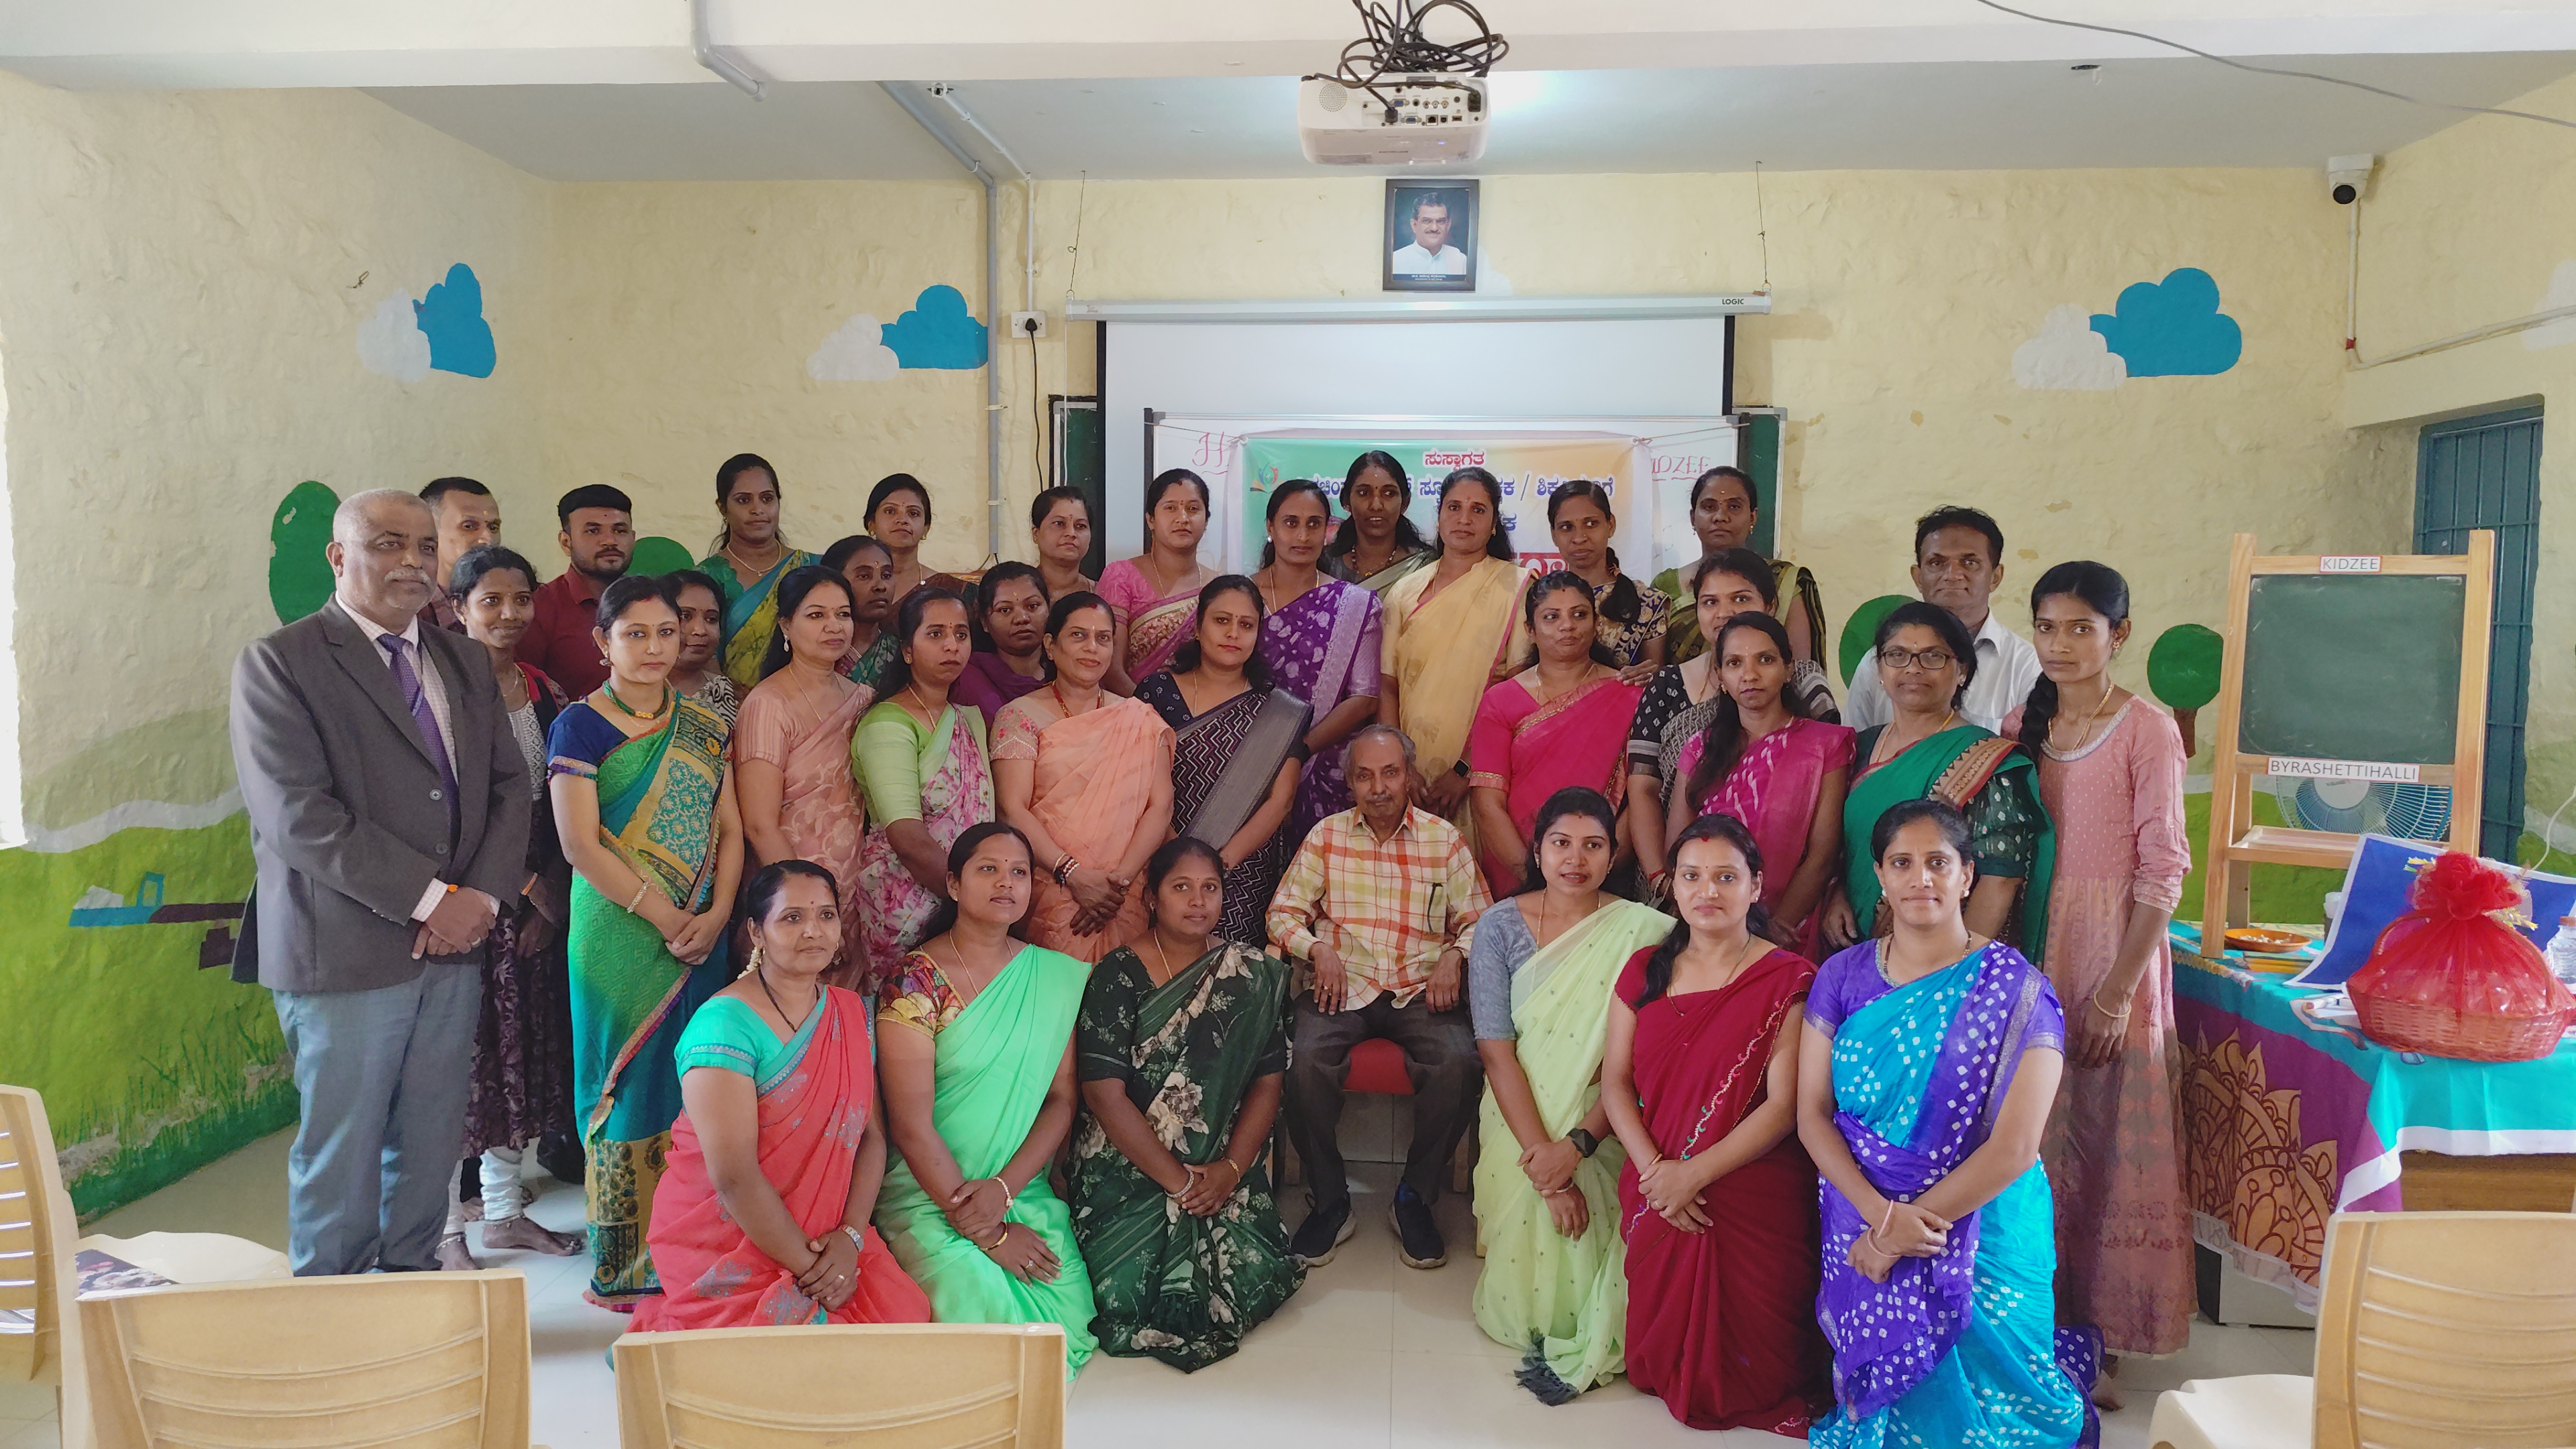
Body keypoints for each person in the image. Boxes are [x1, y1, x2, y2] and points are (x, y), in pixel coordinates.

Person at [230, 490, 530, 1277]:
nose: (412, 561)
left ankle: (413, 1294)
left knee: (431, 1137)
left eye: (425, 546)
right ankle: (333, 1313)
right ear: (338, 557)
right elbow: (298, 816)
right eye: (388, 543)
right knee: (344, 1147)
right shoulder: (282, 662)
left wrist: (480, 901)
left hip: (454, 947)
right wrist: (434, 901)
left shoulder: (463, 660)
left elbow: (507, 787)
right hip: (345, 949)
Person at [1798, 800, 2094, 1448]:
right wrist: (1881, 1219)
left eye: (1938, 862)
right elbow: (1812, 1116)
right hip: (1861, 1209)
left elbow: (2016, 1147)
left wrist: (1900, 1235)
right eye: (1902, 863)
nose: (1921, 878)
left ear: (1967, 877)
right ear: (1881, 876)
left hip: (1985, 1218)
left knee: (2009, 1411)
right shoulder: (1841, 977)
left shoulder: (2018, 988)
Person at [2002, 562, 2194, 1388]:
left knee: (2108, 1136)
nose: (2061, 644)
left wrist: (2117, 992)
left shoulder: (2147, 730)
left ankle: (2104, 1335)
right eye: (2048, 627)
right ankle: (2035, 1321)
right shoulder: (2021, 723)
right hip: (2031, 949)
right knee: (2035, 1136)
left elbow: (2164, 870)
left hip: (2115, 953)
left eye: (2081, 628)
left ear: (2119, 636)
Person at [547, 574, 745, 1307]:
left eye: (668, 631)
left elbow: (731, 830)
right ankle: (627, 1264)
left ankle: (694, 1246)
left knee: (697, 1082)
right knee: (624, 1086)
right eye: (637, 634)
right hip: (619, 930)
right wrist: (666, 918)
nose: (657, 646)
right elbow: (580, 845)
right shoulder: (579, 726)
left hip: (702, 927)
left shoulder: (705, 724)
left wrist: (718, 915)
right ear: (604, 642)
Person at [631, 861, 933, 1331]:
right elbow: (734, 1178)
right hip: (728, 1241)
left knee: (906, 1318)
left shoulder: (851, 1012)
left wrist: (850, 1238)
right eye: (792, 917)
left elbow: (872, 1138)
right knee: (809, 1357)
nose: (813, 930)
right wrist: (816, 1272)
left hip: (828, 1235)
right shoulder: (723, 1026)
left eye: (826, 915)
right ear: (757, 932)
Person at [1603, 814, 1831, 1434]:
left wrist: (1693, 1175)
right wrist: (1657, 1174)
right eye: (1692, 876)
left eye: (1726, 877)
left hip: (1749, 1177)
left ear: (1756, 886)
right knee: (1656, 1361)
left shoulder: (1789, 978)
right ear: (1672, 886)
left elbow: (1784, 1106)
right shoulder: (1643, 970)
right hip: (1657, 1176)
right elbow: (1614, 1083)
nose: (1708, 891)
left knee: (1763, 1364)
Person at [1466, 788, 1670, 1403]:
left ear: (1613, 855)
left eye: (1593, 846)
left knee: (1598, 1232)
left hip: (1603, 1118)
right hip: (1518, 1113)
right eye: (1561, 843)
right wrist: (1548, 1170)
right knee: (1535, 1233)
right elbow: (1496, 1052)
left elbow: (1636, 1066)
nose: (1575, 860)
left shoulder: (1644, 932)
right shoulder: (1500, 925)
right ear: (1537, 851)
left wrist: (1576, 1146)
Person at [875, 824, 1099, 1377]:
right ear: (953, 884)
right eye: (988, 869)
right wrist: (988, 1232)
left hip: (1017, 1189)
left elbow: (1061, 1100)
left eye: (1019, 872)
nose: (1006, 883)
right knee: (983, 1323)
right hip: (930, 1196)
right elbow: (910, 1126)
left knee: (1067, 1311)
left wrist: (1004, 1191)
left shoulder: (1052, 976)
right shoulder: (914, 981)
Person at [1070, 838, 1302, 1371]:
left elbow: (1268, 1082)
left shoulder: (1249, 974)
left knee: (1253, 1276)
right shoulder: (1116, 974)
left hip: (1216, 1164)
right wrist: (1178, 1182)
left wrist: (1230, 1170)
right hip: (1125, 1163)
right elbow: (1103, 1094)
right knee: (1121, 1294)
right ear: (1152, 897)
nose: (1198, 901)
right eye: (1181, 888)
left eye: (1210, 888)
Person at [1268, 725, 1491, 1271]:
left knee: (1460, 1063)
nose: (1379, 787)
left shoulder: (1444, 840)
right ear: (1349, 783)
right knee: (1300, 1061)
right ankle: (1330, 1199)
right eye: (1364, 776)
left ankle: (1414, 1197)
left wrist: (1455, 956)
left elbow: (1481, 921)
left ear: (1409, 776)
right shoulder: (1327, 837)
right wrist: (1316, 948)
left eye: (1390, 773)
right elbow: (1282, 913)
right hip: (1341, 986)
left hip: (1420, 990)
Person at [441, 545, 584, 1266]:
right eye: (490, 600)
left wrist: (547, 898)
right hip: (463, 902)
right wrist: (523, 885)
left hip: (537, 908)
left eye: (521, 599)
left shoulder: (544, 690)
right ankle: (442, 1230)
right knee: (456, 1069)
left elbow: (562, 802)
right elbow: (442, 812)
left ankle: (502, 1213)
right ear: (458, 608)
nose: (508, 613)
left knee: (519, 1057)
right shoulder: (437, 693)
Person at [1822, 602, 2053, 959]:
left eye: (1933, 657)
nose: (1913, 668)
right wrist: (1836, 892)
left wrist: (1953, 967)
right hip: (1852, 945)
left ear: (1962, 671)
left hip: (1943, 951)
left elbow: (2001, 877)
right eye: (1897, 655)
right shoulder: (1860, 747)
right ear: (1880, 670)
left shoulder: (1987, 758)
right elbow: (1846, 845)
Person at [1627, 549, 1839, 893]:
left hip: (1795, 887)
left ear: (1770, 605)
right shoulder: (1666, 684)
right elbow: (1643, 788)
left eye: (1740, 598)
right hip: (1683, 880)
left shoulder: (1804, 680)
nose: (1724, 613)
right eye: (1710, 602)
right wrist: (1662, 881)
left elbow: (1829, 782)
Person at [993, 593, 1175, 963]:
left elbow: (1161, 806)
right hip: (1051, 888)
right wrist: (1072, 874)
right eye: (1078, 635)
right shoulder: (1019, 717)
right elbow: (1012, 809)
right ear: (1050, 646)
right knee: (1057, 991)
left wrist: (1116, 886)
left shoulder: (1139, 718)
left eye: (1103, 638)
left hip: (1124, 895)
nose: (1092, 647)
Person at [1664, 614, 1854, 955]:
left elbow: (1822, 855)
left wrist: (1774, 931)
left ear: (1788, 669)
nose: (1749, 675)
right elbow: (1678, 848)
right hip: (1708, 925)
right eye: (1735, 663)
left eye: (1765, 660)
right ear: (1720, 676)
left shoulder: (1826, 744)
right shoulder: (1699, 749)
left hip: (1790, 931)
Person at [1136, 576, 1309, 945]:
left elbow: (1281, 801)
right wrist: (1178, 861)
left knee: (1233, 971)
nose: (1234, 633)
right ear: (1198, 627)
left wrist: (1219, 867)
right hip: (1162, 860)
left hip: (1243, 874)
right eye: (1221, 620)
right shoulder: (1156, 692)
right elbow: (1137, 786)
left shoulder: (1279, 710)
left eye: (1246, 625)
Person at [1465, 572, 1644, 897]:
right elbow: (1487, 804)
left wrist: (1597, 869)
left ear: (1596, 623)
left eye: (1579, 614)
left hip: (1604, 875)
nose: (1567, 626)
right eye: (1552, 617)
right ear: (1530, 630)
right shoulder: (1501, 700)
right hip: (1517, 874)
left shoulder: (1630, 694)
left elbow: (1641, 798)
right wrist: (1531, 875)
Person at [733, 566, 869, 989]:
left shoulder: (863, 699)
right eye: (816, 615)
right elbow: (759, 825)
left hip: (857, 890)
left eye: (843, 614)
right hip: (790, 897)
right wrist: (813, 913)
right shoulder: (768, 705)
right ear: (785, 626)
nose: (834, 626)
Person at [854, 588, 995, 985]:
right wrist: (969, 900)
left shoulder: (968, 719)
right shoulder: (888, 723)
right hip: (904, 903)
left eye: (961, 634)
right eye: (935, 634)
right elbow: (907, 837)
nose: (952, 645)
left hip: (972, 896)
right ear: (907, 651)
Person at [1379, 467, 1529, 826]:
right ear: (1439, 516)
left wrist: (1467, 768)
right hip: (1409, 773)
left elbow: (1521, 689)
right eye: (1454, 507)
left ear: (1494, 524)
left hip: (1487, 770)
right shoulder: (1404, 592)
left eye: (1478, 510)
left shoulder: (1518, 586)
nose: (1464, 519)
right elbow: (1388, 686)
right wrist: (1401, 767)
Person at [1255, 479, 1385, 837]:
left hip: (1324, 770)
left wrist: (1299, 751)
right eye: (1291, 523)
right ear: (1270, 527)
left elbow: (1365, 697)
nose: (1302, 535)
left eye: (1314, 524)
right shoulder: (1239, 597)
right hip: (1245, 759)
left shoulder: (1355, 604)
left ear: (1327, 531)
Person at [1845, 506, 2041, 733]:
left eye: (1969, 563)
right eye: (1937, 563)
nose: (1952, 575)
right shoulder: (1881, 663)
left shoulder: (2027, 666)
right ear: (1918, 577)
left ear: (1996, 577)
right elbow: (1853, 747)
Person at [1650, 466, 1828, 669]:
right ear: (1693, 518)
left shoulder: (1782, 580)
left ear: (1752, 517)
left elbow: (1799, 669)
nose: (1720, 516)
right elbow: (1655, 668)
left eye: (1734, 507)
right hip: (1683, 690)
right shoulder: (1665, 586)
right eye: (1709, 507)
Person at [699, 453, 819, 693]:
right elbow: (701, 655)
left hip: (811, 702)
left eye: (767, 499)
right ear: (723, 508)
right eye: (744, 500)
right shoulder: (706, 578)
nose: (758, 509)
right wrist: (742, 700)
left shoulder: (813, 569)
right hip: (731, 705)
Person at [1099, 467, 1216, 692]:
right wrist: (1148, 709)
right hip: (1129, 706)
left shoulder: (1217, 588)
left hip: (1201, 708)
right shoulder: (1121, 576)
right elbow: (1111, 670)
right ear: (1151, 520)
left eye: (1193, 509)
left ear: (1206, 520)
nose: (1183, 518)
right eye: (1170, 508)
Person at [521, 484, 635, 698]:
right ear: (566, 543)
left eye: (620, 531)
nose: (610, 541)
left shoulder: (650, 602)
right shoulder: (540, 609)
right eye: (593, 531)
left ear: (633, 538)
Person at [1544, 480, 1667, 678]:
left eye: (1591, 524)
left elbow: (1654, 679)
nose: (1579, 538)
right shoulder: (1541, 601)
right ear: (1553, 535)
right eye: (1566, 527)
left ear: (1611, 525)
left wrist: (1644, 678)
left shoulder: (1647, 602)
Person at [1321, 450, 1434, 594]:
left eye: (1389, 494)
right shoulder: (1326, 564)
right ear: (1346, 501)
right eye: (1364, 493)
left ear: (1405, 503)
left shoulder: (1425, 566)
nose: (1376, 506)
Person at [955, 561, 1051, 723]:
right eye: (1005, 610)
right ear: (985, 622)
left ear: (1049, 608)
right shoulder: (968, 680)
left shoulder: (1070, 673)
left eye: (1032, 606)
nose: (1022, 618)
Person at [867, 473, 970, 607]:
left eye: (913, 513)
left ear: (926, 529)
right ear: (872, 524)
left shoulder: (951, 590)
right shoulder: (851, 585)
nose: (902, 520)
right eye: (890, 511)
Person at [418, 476, 500, 634]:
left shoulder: (511, 603)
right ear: (429, 530)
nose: (488, 539)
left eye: (493, 527)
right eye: (469, 526)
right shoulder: (407, 609)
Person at [822, 533, 902, 690]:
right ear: (834, 582)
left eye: (886, 576)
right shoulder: (818, 647)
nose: (880, 586)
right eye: (864, 576)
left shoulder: (901, 653)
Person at [664, 570, 742, 727]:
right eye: (685, 616)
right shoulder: (634, 688)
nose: (700, 630)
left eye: (711, 619)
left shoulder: (722, 691)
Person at [1030, 485, 1097, 600]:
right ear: (1036, 534)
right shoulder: (1016, 592)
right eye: (1059, 523)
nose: (1071, 533)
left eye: (1080, 526)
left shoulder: (1103, 594)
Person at [1391, 191, 1467, 276]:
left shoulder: (1460, 260)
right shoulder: (1395, 261)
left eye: (1440, 221)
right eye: (1427, 221)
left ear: (1448, 225)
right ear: (1414, 225)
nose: (1434, 228)